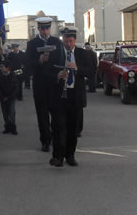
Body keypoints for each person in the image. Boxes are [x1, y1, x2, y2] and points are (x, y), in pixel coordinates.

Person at [48, 26, 92, 167]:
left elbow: (91, 72)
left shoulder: (83, 54)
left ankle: (70, 155)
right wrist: (56, 76)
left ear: (75, 40)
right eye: (65, 41)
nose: (67, 44)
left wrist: (78, 69)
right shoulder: (55, 54)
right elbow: (45, 74)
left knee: (73, 129)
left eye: (70, 41)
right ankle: (57, 157)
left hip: (75, 97)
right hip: (60, 97)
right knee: (58, 128)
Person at [25, 17, 62, 152]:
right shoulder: (32, 44)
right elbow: (27, 65)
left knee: (56, 114)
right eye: (42, 28)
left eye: (47, 28)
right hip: (40, 84)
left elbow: (60, 61)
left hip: (54, 83)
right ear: (38, 29)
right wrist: (39, 61)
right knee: (42, 114)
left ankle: (55, 137)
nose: (45, 31)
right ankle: (45, 140)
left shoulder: (56, 42)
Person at [0, 60, 19, 135]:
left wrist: (10, 97)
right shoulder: (0, 76)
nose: (1, 68)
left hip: (11, 98)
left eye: (2, 67)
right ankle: (7, 127)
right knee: (5, 114)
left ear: (8, 68)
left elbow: (16, 88)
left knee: (12, 112)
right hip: (3, 98)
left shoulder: (13, 75)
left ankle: (13, 128)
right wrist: (2, 96)